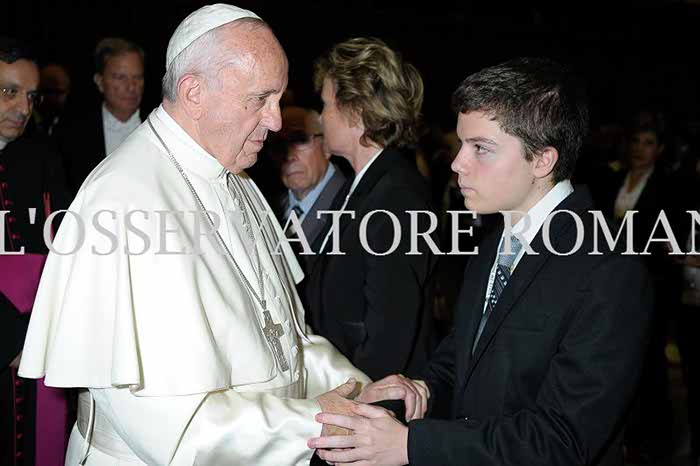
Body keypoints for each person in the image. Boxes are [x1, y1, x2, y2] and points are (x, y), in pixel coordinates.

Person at [18, 5, 426, 466]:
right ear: (194, 92)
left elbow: (284, 339)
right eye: (260, 99)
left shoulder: (238, 181)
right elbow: (174, 428)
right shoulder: (124, 199)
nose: (276, 122)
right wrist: (315, 417)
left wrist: (355, 388)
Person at [309, 57, 653, 466]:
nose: (457, 163)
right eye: (460, 143)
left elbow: (562, 441)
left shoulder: (608, 269)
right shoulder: (495, 243)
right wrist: (423, 389)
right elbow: (463, 358)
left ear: (542, 160)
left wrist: (411, 445)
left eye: (481, 149)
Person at [303, 37, 438, 381]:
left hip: (370, 404)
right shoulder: (362, 185)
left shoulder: (397, 196)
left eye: (327, 105)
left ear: (356, 111)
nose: (321, 118)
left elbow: (390, 334)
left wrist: (357, 407)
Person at [0, 37, 72, 466]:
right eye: (9, 92)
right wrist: (11, 339)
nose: (23, 108)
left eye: (29, 95)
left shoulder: (43, 154)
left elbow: (69, 240)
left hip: (42, 330)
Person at [56, 37, 145, 194]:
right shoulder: (73, 133)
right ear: (99, 82)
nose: (131, 86)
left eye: (137, 77)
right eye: (120, 77)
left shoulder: (165, 126)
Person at [275, 105, 347, 272]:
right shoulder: (267, 208)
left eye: (300, 140)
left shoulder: (356, 207)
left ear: (327, 145)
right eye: (280, 144)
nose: (289, 155)